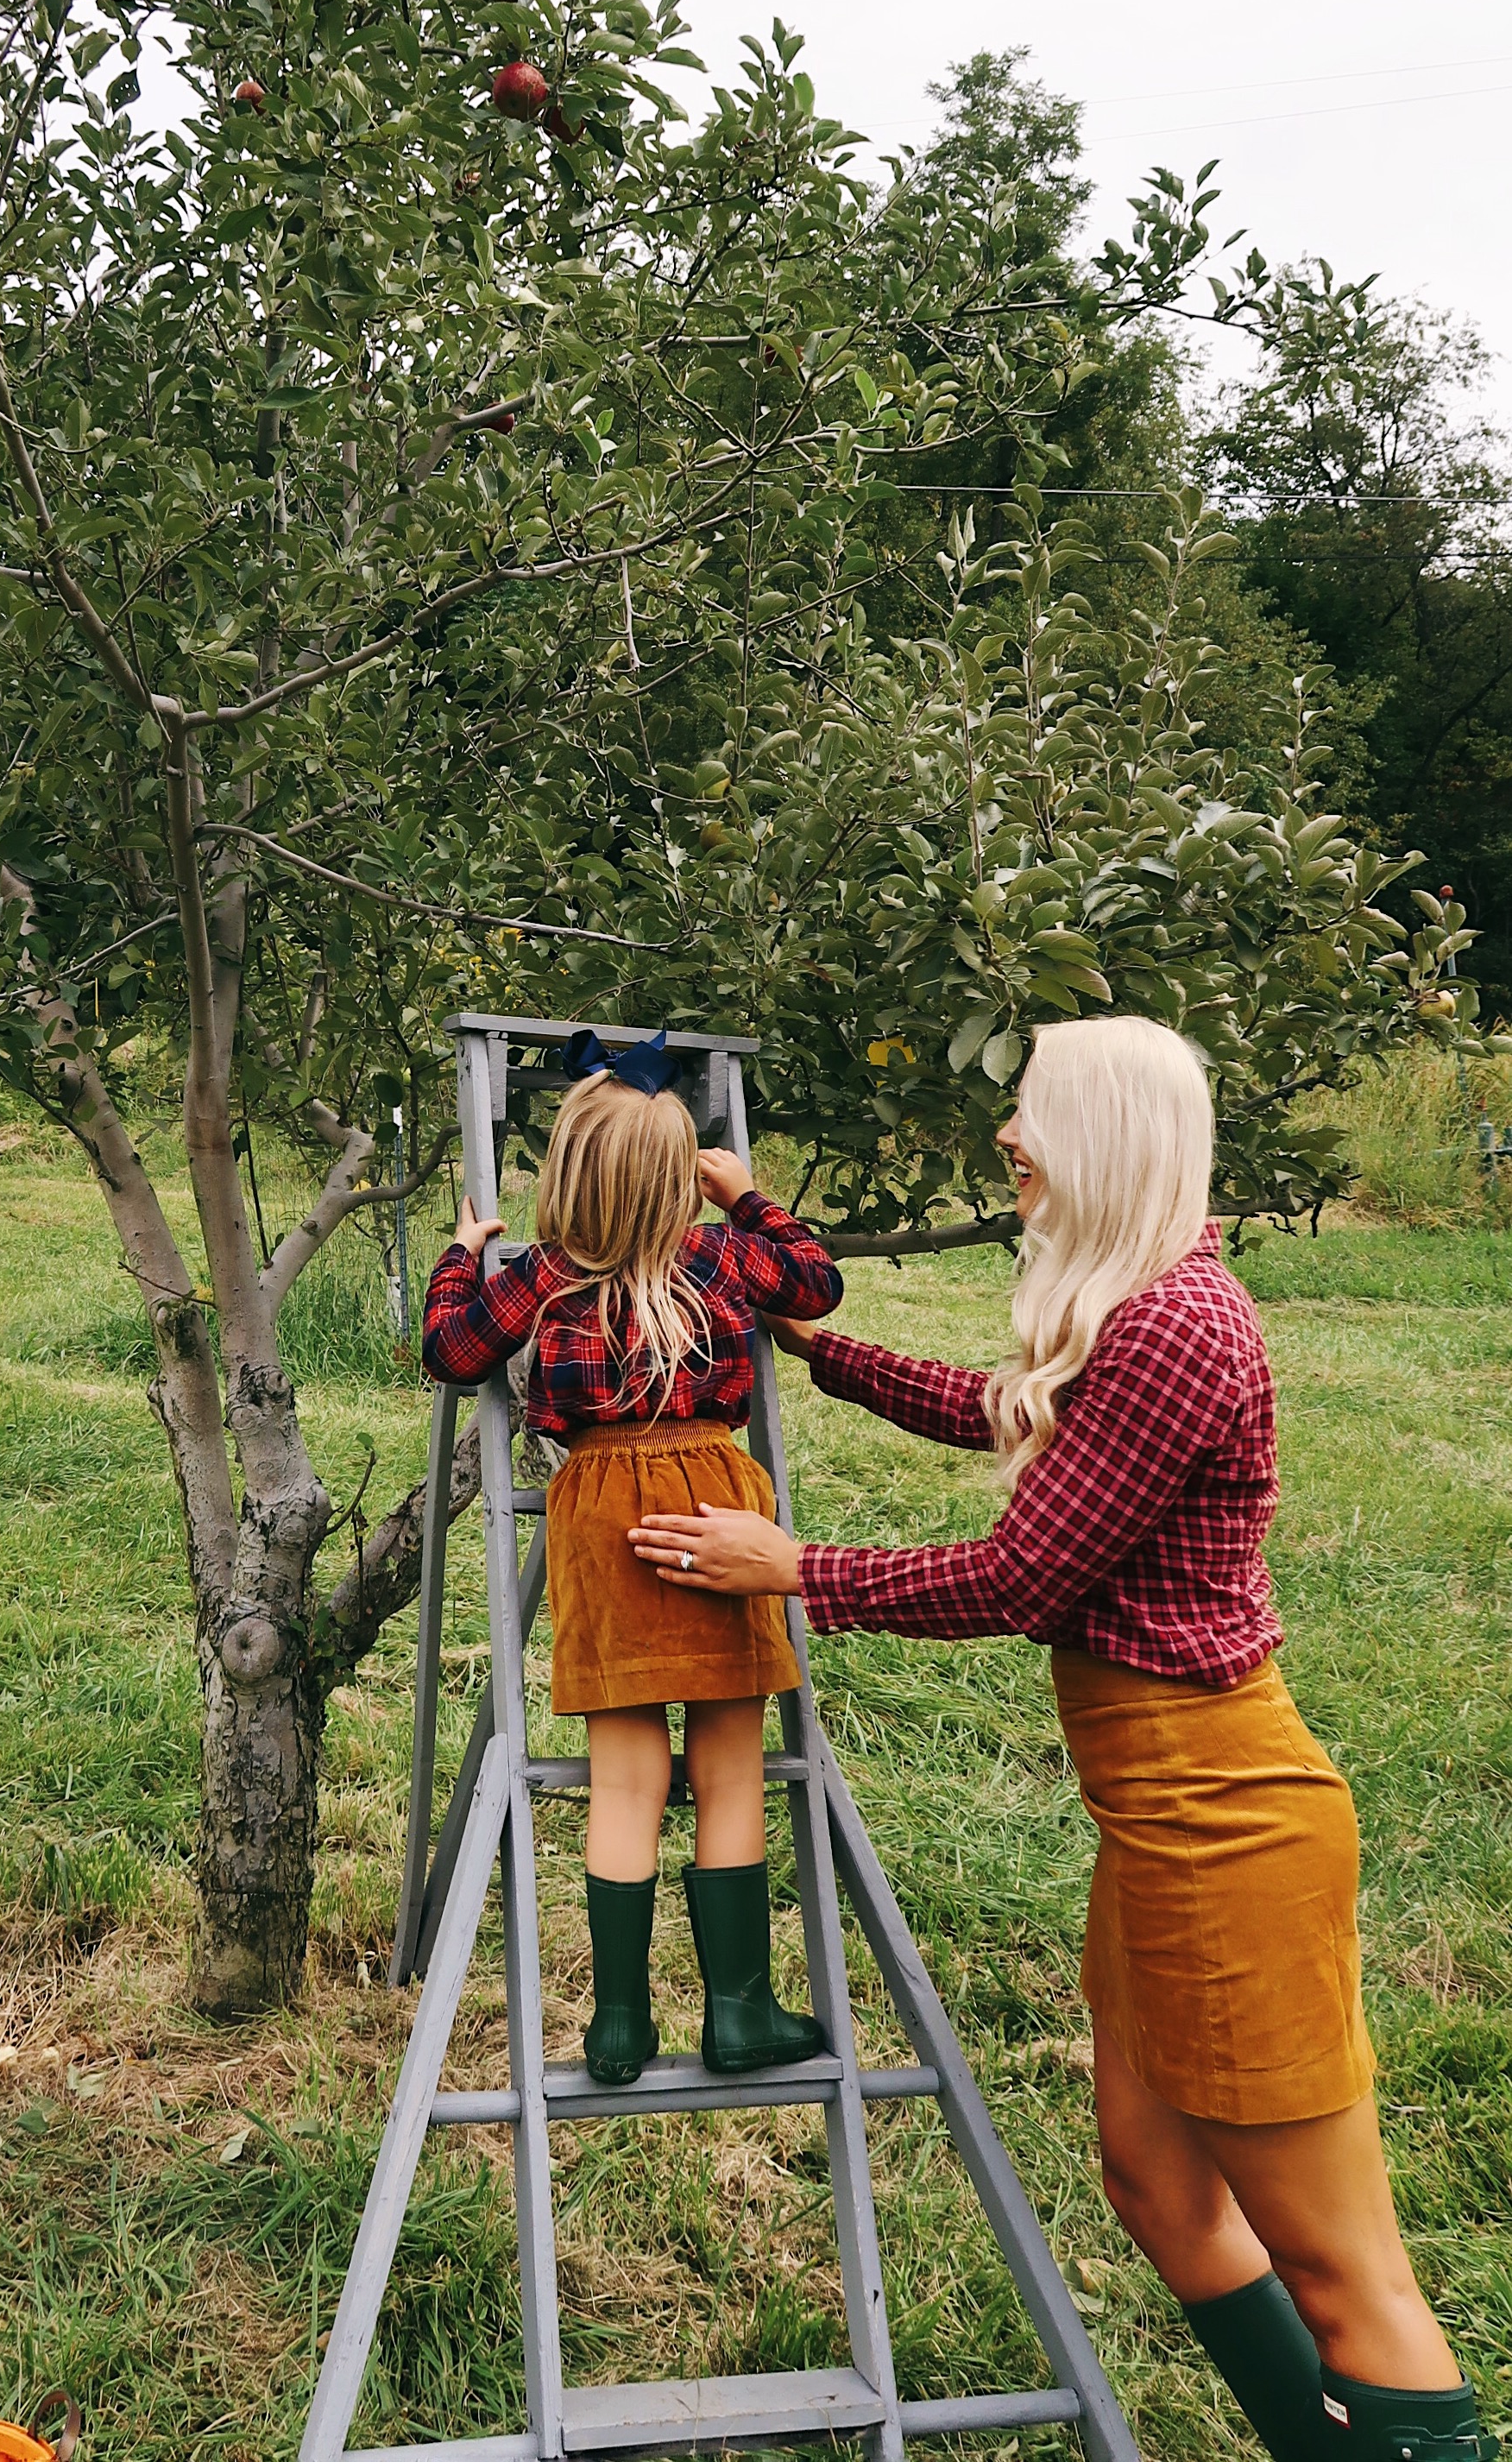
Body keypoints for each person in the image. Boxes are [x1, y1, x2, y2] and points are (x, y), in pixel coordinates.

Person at [627, 1017, 1496, 2462]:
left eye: (1027, 1111)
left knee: (1346, 2270)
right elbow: (1013, 1417)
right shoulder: (1137, 1308)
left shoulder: (1177, 1324)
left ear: (1099, 1132)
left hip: (1227, 1819)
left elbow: (1025, 1575)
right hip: (1157, 1815)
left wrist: (793, 1567)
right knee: (1155, 2186)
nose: (1007, 1138)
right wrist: (822, 1351)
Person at [422, 1028, 844, 2086]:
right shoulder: (717, 1256)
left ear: (565, 1174)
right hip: (714, 1502)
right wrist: (745, 1197)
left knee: (625, 1774)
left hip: (598, 1510)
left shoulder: (542, 1277)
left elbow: (449, 1351)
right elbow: (817, 1281)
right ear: (678, 1180)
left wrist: (461, 1254)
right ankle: (738, 2008)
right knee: (730, 1762)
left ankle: (617, 2022)